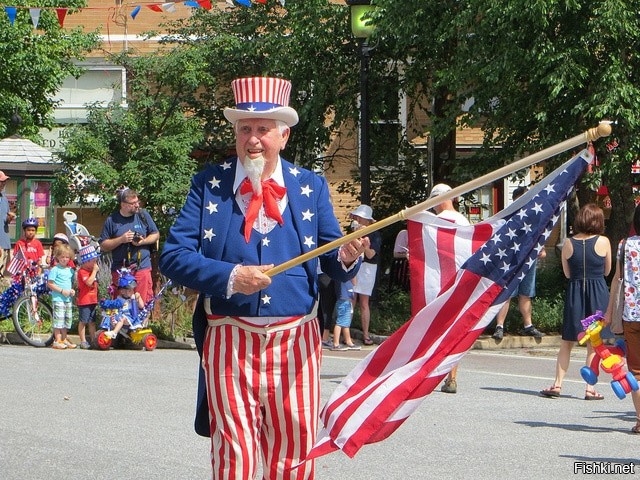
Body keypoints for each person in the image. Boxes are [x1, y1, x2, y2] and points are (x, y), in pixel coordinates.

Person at [158, 76, 367, 480]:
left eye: (263, 129)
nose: (253, 139)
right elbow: (173, 256)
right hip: (228, 336)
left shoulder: (310, 187)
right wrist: (231, 275)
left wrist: (346, 257)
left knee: (295, 451)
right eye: (245, 129)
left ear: (283, 136)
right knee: (233, 453)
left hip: (297, 340)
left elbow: (333, 258)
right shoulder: (208, 185)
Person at [541, 203, 611, 400]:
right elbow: (607, 271)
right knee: (593, 343)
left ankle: (557, 384)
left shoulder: (568, 243)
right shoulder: (604, 241)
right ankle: (589, 388)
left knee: (567, 342)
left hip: (575, 292)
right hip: (597, 291)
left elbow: (566, 273)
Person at [429, 183, 471, 395]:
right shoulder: (464, 221)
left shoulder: (434, 223)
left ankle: (434, 373)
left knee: (437, 330)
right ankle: (451, 376)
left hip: (439, 282)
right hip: (460, 282)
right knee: (454, 331)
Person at [604, 204, 640, 433]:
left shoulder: (624, 245)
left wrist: (608, 312)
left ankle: (639, 419)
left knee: (636, 370)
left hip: (631, 315)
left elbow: (617, 279)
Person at [492, 187, 545, 340]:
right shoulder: (509, 217)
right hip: (511, 261)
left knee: (526, 293)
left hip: (529, 260)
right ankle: (499, 326)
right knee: (507, 293)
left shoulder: (534, 217)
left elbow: (539, 237)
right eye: (522, 198)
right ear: (515, 200)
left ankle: (528, 325)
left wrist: (540, 250)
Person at [99, 188, 159, 303]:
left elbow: (155, 234)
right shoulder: (112, 220)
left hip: (142, 267)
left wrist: (142, 242)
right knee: (121, 306)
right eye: (133, 203)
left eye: (137, 202)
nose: (137, 205)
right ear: (123, 205)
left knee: (143, 304)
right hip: (121, 270)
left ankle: (142, 322)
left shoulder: (143, 215)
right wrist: (121, 239)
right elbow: (103, 245)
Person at [350, 204, 382, 346]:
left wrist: (365, 245)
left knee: (364, 302)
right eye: (357, 217)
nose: (358, 219)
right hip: (355, 264)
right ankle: (346, 332)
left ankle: (366, 334)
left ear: (367, 220)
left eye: (360, 217)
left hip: (368, 267)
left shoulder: (375, 234)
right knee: (351, 299)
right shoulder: (354, 231)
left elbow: (371, 254)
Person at [47, 243, 77, 350]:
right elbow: (50, 284)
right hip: (58, 298)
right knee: (58, 320)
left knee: (66, 320)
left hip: (67, 299)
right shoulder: (55, 270)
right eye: (62, 257)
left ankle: (64, 339)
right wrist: (61, 291)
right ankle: (57, 340)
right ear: (58, 257)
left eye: (67, 257)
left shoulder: (70, 270)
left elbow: (71, 283)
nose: (65, 259)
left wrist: (71, 290)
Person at [105, 273, 145, 339]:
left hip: (131, 317)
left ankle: (114, 333)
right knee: (110, 315)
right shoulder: (120, 298)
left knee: (122, 319)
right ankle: (106, 329)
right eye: (129, 290)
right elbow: (115, 305)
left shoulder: (133, 298)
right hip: (120, 314)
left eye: (132, 290)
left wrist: (139, 298)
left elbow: (142, 306)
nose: (132, 291)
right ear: (122, 291)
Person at [76, 245, 100, 349]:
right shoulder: (82, 271)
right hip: (85, 301)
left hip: (92, 300)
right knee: (83, 321)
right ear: (86, 261)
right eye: (93, 261)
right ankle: (83, 341)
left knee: (92, 322)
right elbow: (89, 283)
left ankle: (93, 339)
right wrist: (94, 272)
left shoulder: (91, 271)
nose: (95, 263)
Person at [331, 277, 361, 351]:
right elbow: (354, 282)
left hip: (346, 301)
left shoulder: (342, 273)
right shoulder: (344, 274)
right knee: (340, 322)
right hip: (344, 301)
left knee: (345, 322)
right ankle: (336, 344)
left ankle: (348, 341)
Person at [0, 171, 16, 276]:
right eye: (1, 181)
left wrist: (10, 217)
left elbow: (5, 220)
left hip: (4, 239)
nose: (3, 184)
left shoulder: (4, 197)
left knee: (2, 274)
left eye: (4, 181)